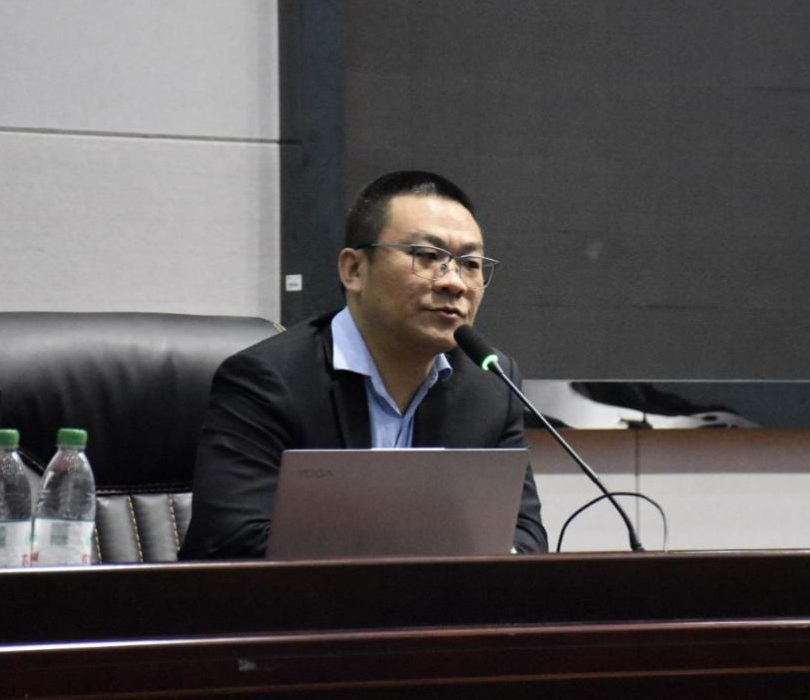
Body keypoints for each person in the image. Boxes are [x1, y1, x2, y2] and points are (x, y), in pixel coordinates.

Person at [180, 170, 547, 558]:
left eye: (470, 264)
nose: (454, 282)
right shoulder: (268, 381)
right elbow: (235, 543)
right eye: (427, 256)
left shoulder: (492, 385)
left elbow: (524, 537)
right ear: (354, 270)